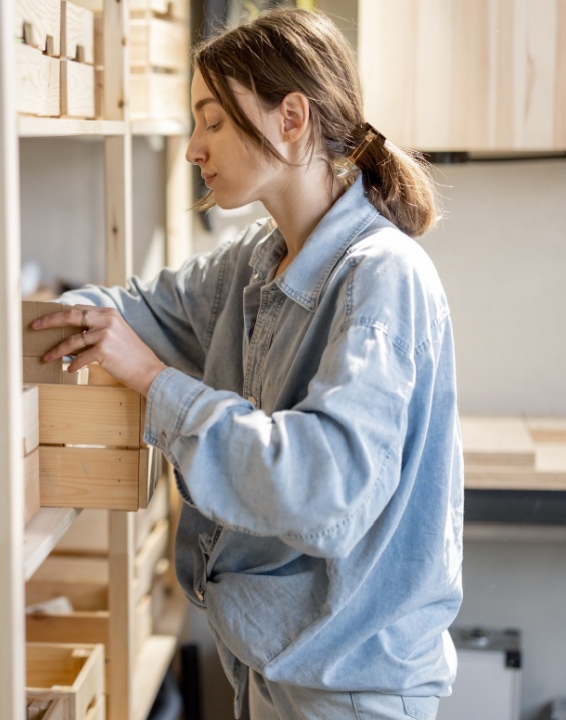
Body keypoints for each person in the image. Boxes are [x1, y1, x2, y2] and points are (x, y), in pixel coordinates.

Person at [34, 9, 462, 720]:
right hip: (275, 665)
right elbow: (130, 310)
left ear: (290, 118)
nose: (193, 150)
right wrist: (37, 324)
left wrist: (151, 382)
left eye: (213, 122)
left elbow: (319, 485)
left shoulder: (383, 277)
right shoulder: (254, 264)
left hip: (350, 691)